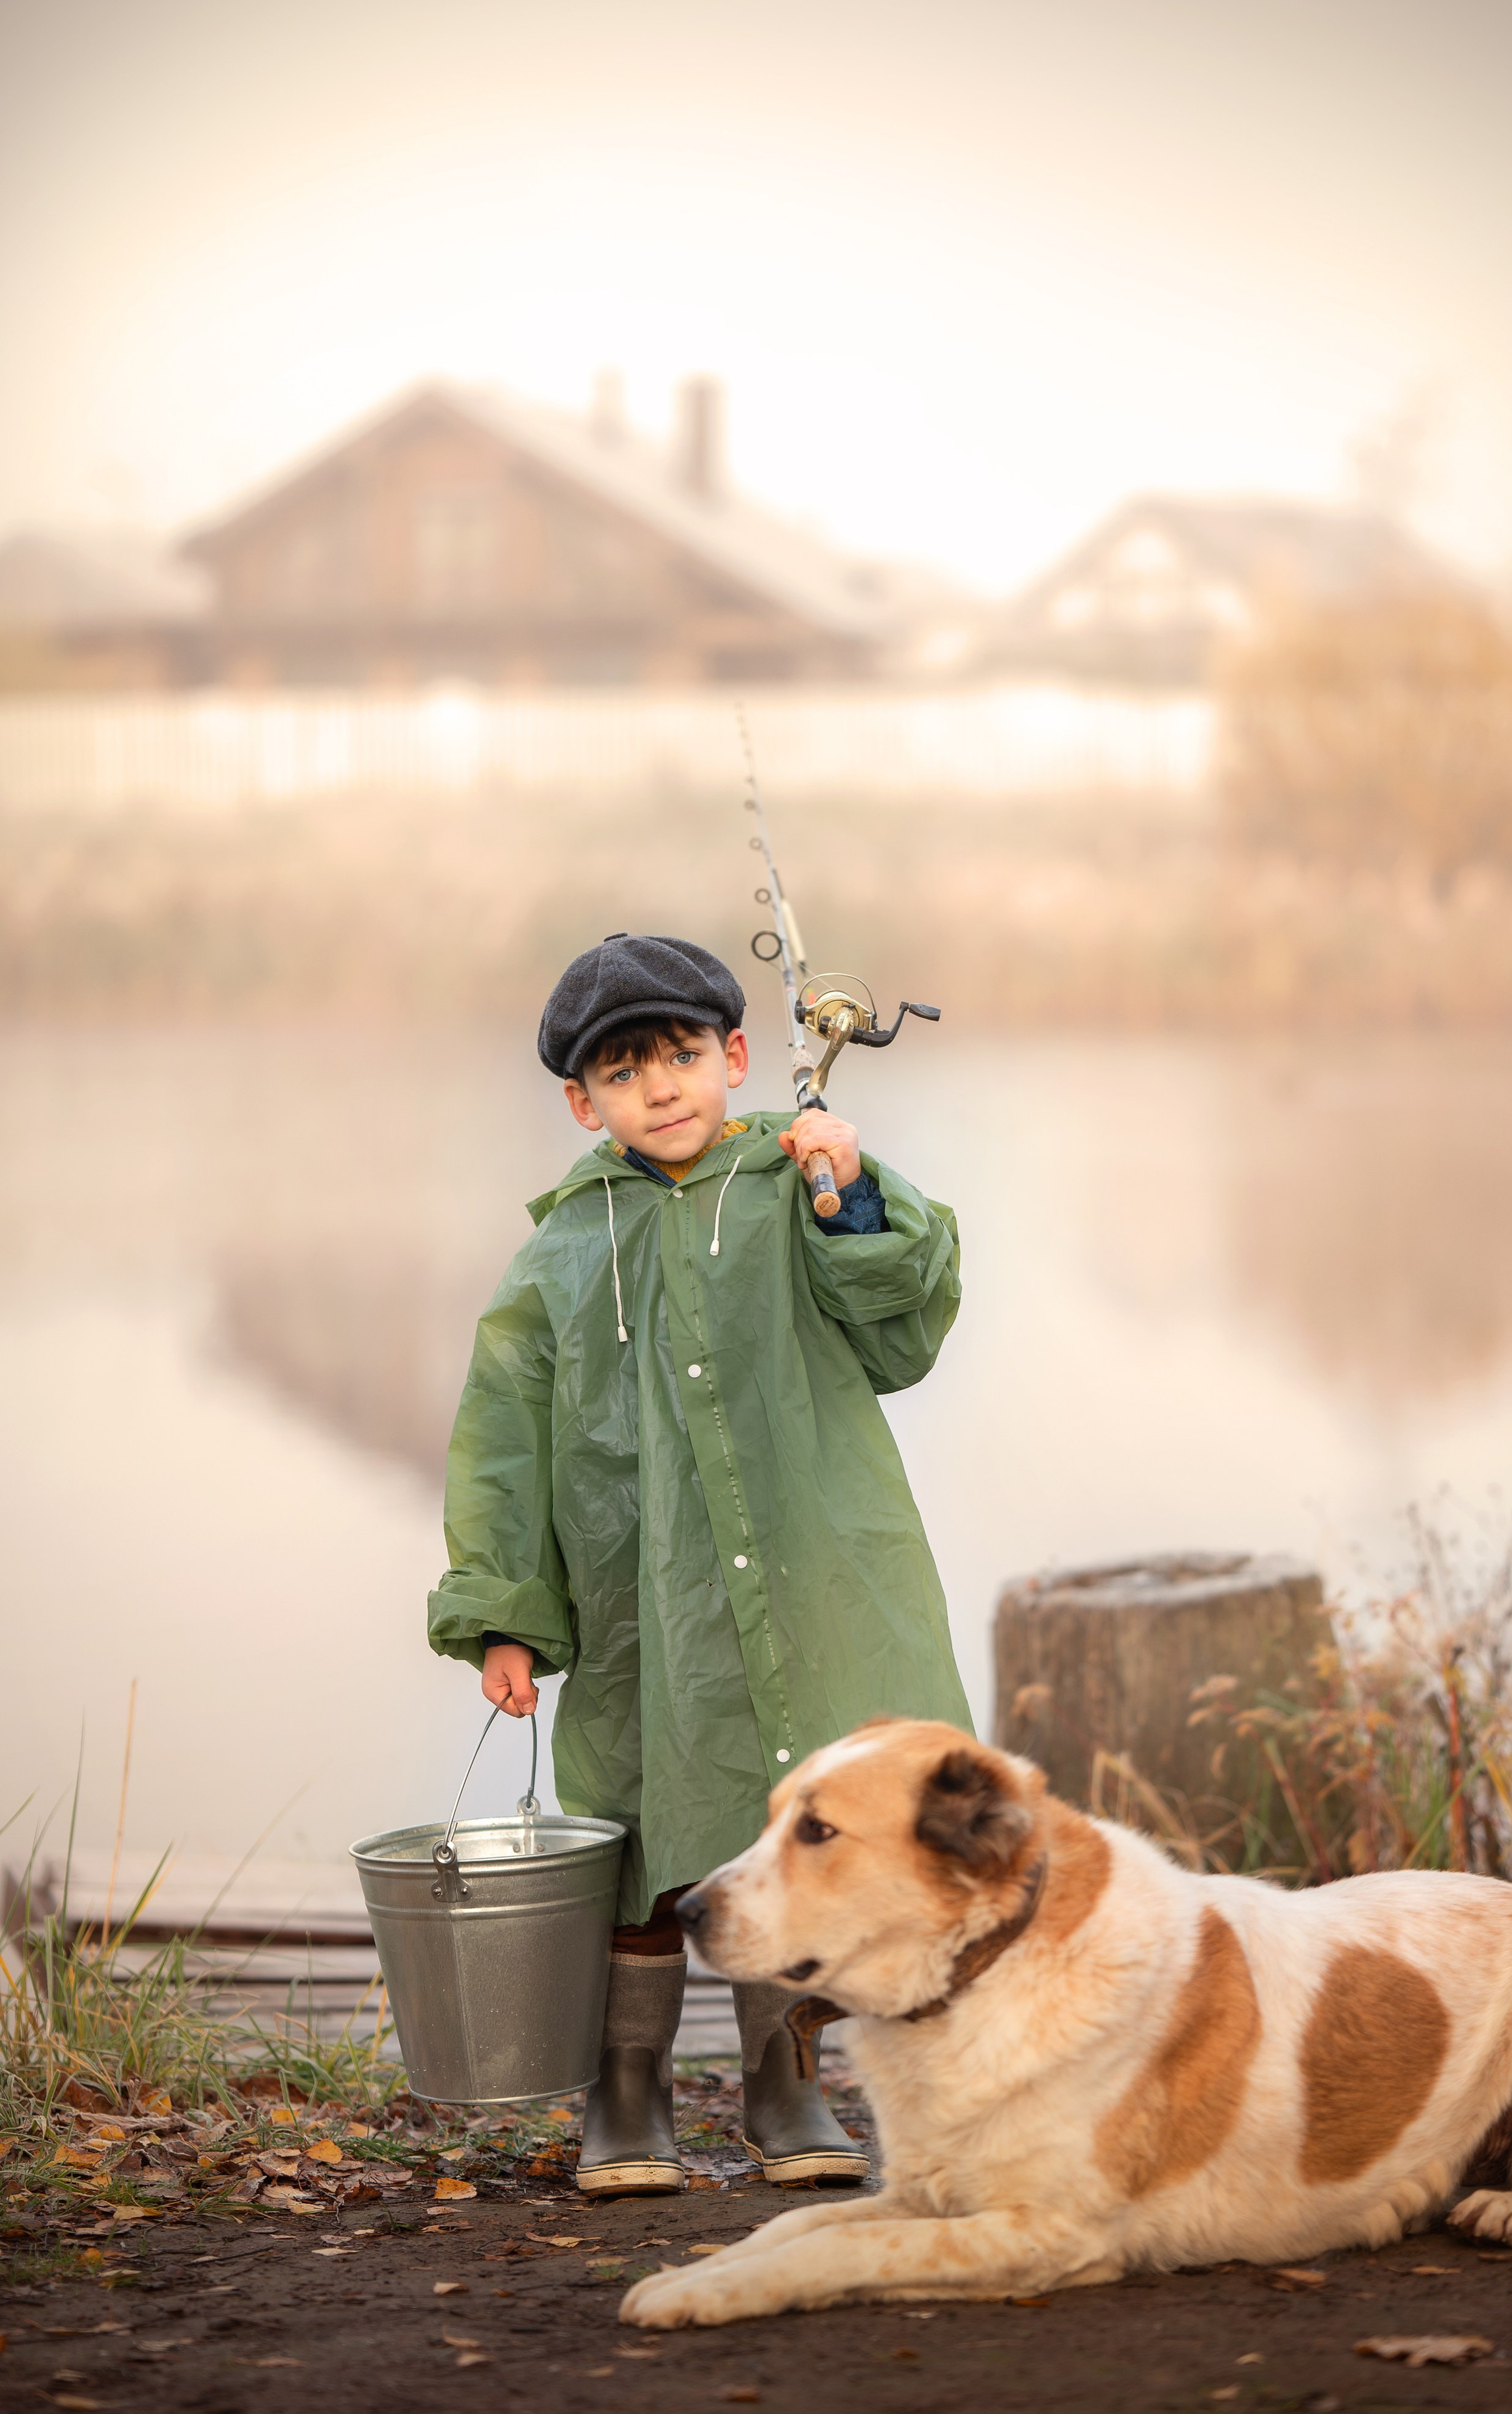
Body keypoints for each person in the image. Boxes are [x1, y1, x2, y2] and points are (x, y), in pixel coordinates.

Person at [428, 930, 970, 2195]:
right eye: (623, 1072)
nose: (660, 1087)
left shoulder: (796, 1188)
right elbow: (499, 1442)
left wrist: (856, 1193)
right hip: (637, 1605)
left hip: (807, 1570)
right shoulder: (557, 1256)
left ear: (733, 1055)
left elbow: (902, 1331)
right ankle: (626, 2093)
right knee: (637, 1827)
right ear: (581, 1102)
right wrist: (505, 1613)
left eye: (681, 1055)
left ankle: (789, 2086)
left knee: (807, 1820)